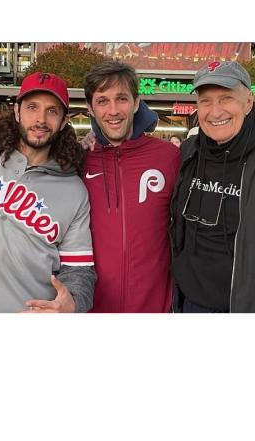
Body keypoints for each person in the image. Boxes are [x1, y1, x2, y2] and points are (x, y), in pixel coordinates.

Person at [0, 71, 96, 313]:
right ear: (17, 111)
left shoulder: (75, 191)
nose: (40, 119)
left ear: (63, 120)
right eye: (32, 107)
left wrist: (73, 303)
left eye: (52, 111)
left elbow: (78, 270)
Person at [83, 60, 181, 312]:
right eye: (102, 101)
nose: (113, 110)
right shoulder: (77, 162)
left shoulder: (170, 157)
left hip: (155, 308)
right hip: (93, 309)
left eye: (122, 99)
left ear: (137, 103)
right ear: (90, 109)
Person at [170, 61, 255, 312]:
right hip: (187, 302)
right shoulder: (188, 153)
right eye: (206, 101)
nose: (215, 112)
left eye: (226, 98)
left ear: (248, 102)